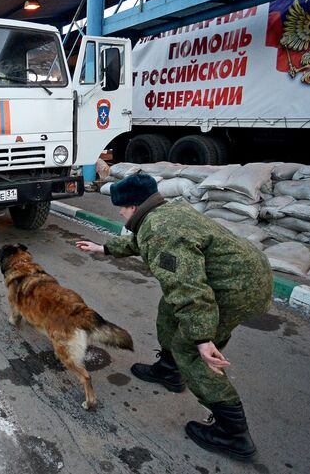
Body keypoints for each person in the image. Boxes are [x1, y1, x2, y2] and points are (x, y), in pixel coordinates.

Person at [76, 173, 272, 461]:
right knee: (169, 311)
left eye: (122, 206)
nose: (119, 212)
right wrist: (104, 248)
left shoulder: (161, 229)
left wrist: (203, 337)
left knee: (190, 348)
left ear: (134, 206)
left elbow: (188, 287)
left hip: (236, 288)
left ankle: (233, 432)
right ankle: (169, 371)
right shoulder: (164, 211)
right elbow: (141, 242)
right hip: (240, 275)